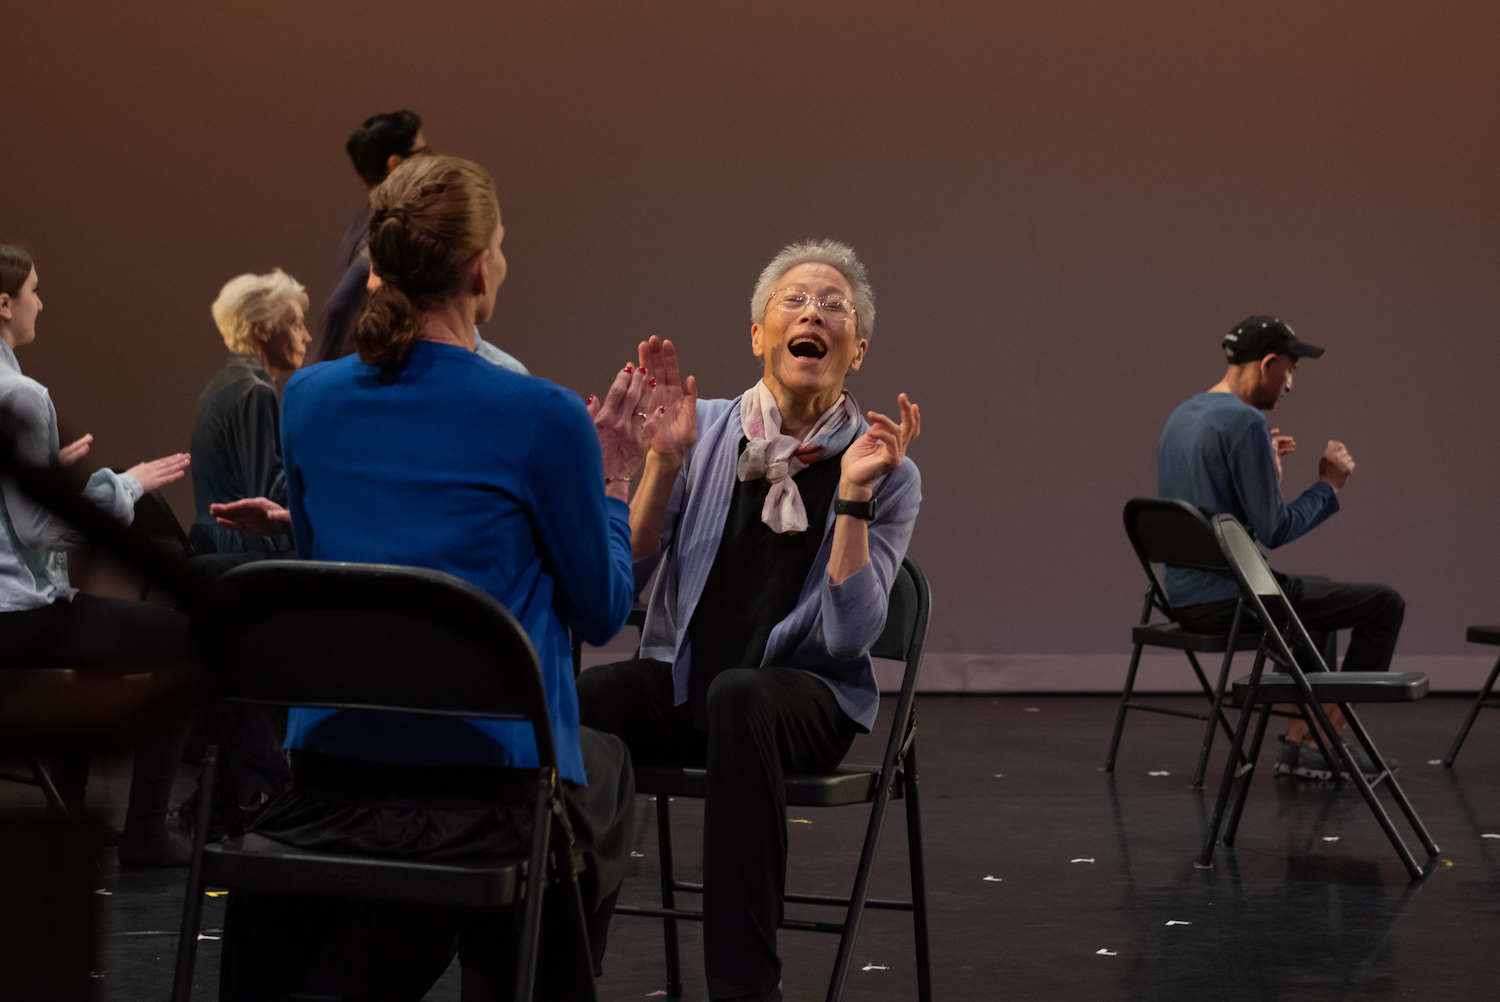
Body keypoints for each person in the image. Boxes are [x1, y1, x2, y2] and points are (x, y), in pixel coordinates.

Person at [212, 155, 643, 1001]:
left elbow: (341, 570)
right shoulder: (544, 414)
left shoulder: (309, 399)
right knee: (606, 769)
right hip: (485, 783)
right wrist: (616, 483)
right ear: (481, 267)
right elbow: (600, 610)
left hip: (334, 766)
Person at [576, 239, 923, 1002]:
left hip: (805, 699)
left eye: (834, 306)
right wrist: (659, 465)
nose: (813, 313)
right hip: (686, 686)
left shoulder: (883, 464)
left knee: (740, 693)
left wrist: (857, 499)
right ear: (758, 335)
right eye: (794, 300)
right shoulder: (697, 429)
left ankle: (744, 988)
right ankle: (560, 964)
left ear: (856, 349)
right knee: (588, 702)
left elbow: (849, 638)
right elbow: (621, 581)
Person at [0, 241, 196, 865]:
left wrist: (41, 473)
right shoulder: (22, 395)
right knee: (192, 637)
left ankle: (74, 808)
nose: (41, 302)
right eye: (33, 291)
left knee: (107, 637)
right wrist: (125, 486)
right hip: (16, 618)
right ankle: (145, 829)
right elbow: (41, 533)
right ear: (4, 304)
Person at [1157, 315, 1404, 779]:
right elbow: (1275, 531)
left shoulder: (1184, 414)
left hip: (1186, 597)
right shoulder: (1246, 421)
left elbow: (1217, 515)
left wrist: (1266, 475)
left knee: (1321, 595)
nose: (1290, 384)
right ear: (1268, 363)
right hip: (1234, 599)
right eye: (1289, 370)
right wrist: (1328, 486)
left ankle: (1298, 742)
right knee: (1385, 605)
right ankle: (1325, 741)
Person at [188, 269, 309, 556]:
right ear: (262, 330)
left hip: (217, 545)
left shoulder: (226, 382)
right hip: (245, 551)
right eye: (296, 324)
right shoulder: (255, 390)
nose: (307, 336)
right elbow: (267, 495)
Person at [307, 109, 429, 366]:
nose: (431, 162)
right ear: (396, 164)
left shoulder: (359, 224)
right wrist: (323, 372)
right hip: (367, 372)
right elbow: (338, 307)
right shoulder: (387, 229)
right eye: (423, 153)